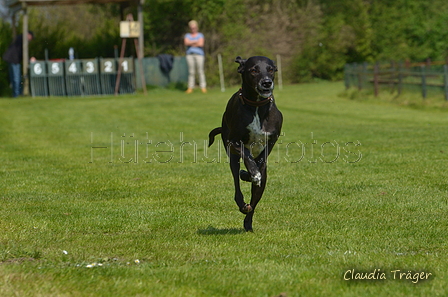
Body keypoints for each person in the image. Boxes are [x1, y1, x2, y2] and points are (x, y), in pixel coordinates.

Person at [2, 31, 34, 98]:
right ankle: (17, 94)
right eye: (31, 37)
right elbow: (23, 51)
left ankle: (17, 94)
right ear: (28, 35)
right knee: (16, 78)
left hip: (11, 59)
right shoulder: (22, 39)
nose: (31, 40)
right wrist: (29, 59)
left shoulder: (20, 38)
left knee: (14, 78)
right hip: (14, 60)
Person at [184, 20, 207, 94]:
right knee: (191, 72)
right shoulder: (187, 35)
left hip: (199, 55)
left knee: (200, 71)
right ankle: (190, 87)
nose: (192, 29)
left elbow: (201, 44)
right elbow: (186, 43)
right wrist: (195, 42)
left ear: (196, 27)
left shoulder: (200, 35)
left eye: (194, 28)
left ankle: (203, 87)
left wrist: (191, 43)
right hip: (190, 55)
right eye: (191, 28)